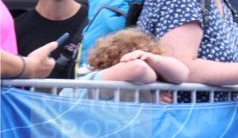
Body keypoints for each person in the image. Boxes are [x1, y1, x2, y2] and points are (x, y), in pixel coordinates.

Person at [60, 29, 188, 99]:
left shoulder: (148, 79)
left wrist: (152, 58)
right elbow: (140, 69)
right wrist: (154, 91)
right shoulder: (97, 80)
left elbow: (182, 74)